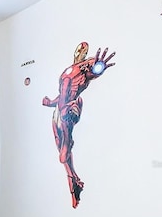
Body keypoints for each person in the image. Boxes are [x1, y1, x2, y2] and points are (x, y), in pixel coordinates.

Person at [42, 42, 116, 208]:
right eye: (80, 48)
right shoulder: (71, 70)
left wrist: (97, 69)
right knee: (64, 157)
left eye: (85, 49)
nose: (82, 49)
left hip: (69, 108)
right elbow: (63, 96)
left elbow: (90, 74)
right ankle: (74, 182)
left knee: (64, 151)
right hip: (61, 109)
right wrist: (50, 103)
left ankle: (68, 142)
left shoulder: (81, 70)